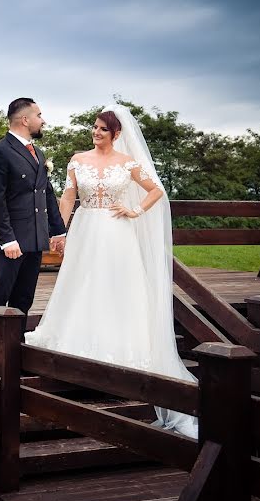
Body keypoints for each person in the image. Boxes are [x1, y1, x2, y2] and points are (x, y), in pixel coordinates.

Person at [25, 104, 198, 439]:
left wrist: (135, 210)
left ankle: (121, 347)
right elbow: (68, 197)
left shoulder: (127, 163)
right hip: (86, 227)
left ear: (116, 134)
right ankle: (78, 344)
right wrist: (59, 231)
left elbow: (156, 191)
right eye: (94, 127)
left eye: (103, 129)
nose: (96, 132)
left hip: (118, 231)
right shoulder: (78, 159)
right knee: (82, 285)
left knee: (117, 287)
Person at [0, 98, 67, 318]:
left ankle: (14, 348)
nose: (43, 120)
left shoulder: (38, 153)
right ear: (25, 120)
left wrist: (58, 231)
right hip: (9, 242)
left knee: (23, 301)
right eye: (39, 116)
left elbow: (46, 194)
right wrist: (7, 240)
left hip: (34, 240)